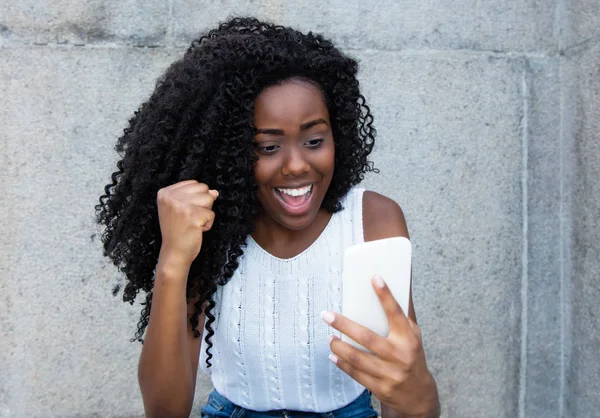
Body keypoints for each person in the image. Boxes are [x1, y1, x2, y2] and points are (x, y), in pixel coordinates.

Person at [96, 17, 440, 418]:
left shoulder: (373, 221)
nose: (296, 165)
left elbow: (405, 395)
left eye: (314, 141)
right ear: (228, 151)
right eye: (267, 146)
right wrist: (172, 261)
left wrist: (419, 397)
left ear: (338, 135)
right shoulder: (210, 229)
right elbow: (164, 410)